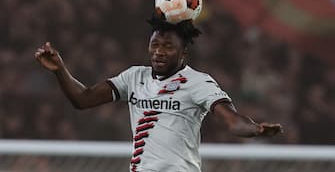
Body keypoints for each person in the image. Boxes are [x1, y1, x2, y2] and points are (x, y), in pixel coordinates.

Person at [35, 17, 283, 172]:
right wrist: (60, 71)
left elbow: (232, 120)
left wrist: (256, 130)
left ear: (183, 51)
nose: (159, 52)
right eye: (155, 45)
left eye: (167, 46)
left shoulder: (198, 82)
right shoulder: (134, 77)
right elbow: (83, 99)